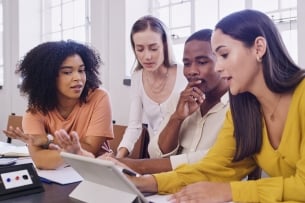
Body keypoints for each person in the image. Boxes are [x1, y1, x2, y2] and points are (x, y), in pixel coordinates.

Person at [128, 9, 305, 203]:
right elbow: (215, 169)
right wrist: (148, 182)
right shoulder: (244, 110)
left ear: (258, 48)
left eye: (224, 54)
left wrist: (231, 191)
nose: (218, 67)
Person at [109, 29, 229, 174]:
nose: (191, 71)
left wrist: (136, 165)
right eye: (187, 63)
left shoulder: (237, 107)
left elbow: (212, 160)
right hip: (169, 187)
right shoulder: (179, 100)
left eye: (202, 62)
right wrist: (176, 118)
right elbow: (156, 154)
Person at [3, 40, 114, 170]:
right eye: (67, 72)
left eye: (81, 70)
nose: (78, 78)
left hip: (97, 173)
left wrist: (47, 140)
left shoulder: (99, 97)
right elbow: (40, 160)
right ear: (47, 77)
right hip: (59, 177)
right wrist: (69, 153)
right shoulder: (35, 111)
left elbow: (91, 150)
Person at [116, 15, 187, 158]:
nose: (147, 56)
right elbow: (134, 126)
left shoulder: (184, 73)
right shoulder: (137, 77)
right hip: (155, 158)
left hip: (183, 157)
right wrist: (118, 158)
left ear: (165, 45)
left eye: (153, 48)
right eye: (140, 49)